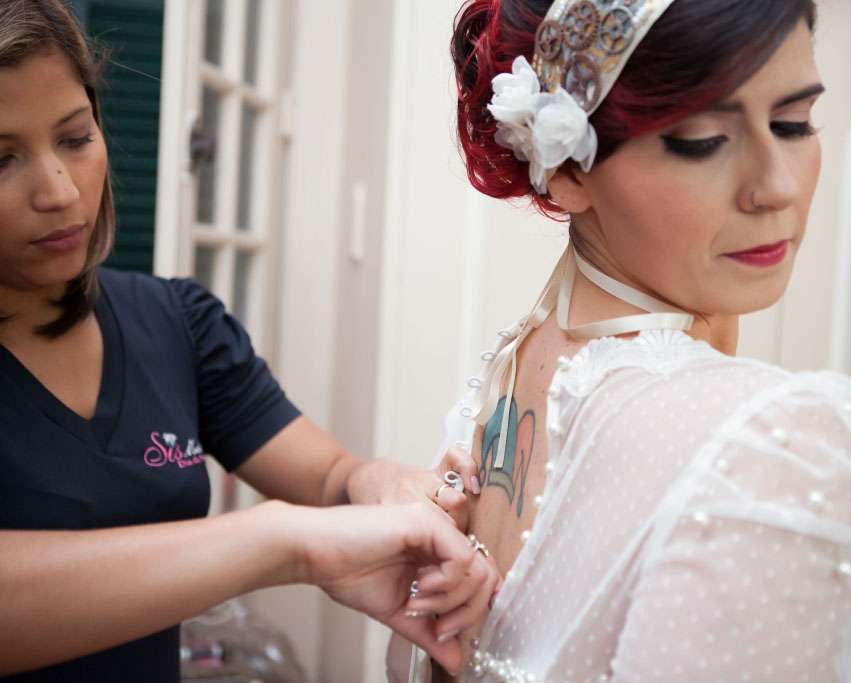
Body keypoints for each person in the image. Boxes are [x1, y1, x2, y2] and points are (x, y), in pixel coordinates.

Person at [387, 0, 851, 680]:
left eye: (793, 123)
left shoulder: (510, 372)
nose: (777, 187)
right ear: (568, 169)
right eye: (701, 140)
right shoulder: (777, 441)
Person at [0, 1, 492, 680]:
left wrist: (385, 483)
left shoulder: (177, 322)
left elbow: (329, 477)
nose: (57, 191)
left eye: (76, 137)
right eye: (2, 159)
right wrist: (280, 542)